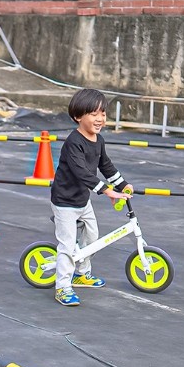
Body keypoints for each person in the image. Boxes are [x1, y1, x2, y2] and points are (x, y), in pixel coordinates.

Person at [50, 88, 132, 306]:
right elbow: (81, 172)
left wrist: (122, 184)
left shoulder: (99, 140)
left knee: (92, 238)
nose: (100, 119)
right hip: (65, 201)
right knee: (67, 245)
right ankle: (63, 287)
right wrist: (107, 191)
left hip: (82, 199)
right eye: (94, 114)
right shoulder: (73, 142)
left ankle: (82, 273)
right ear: (78, 116)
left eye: (103, 113)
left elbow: (105, 166)